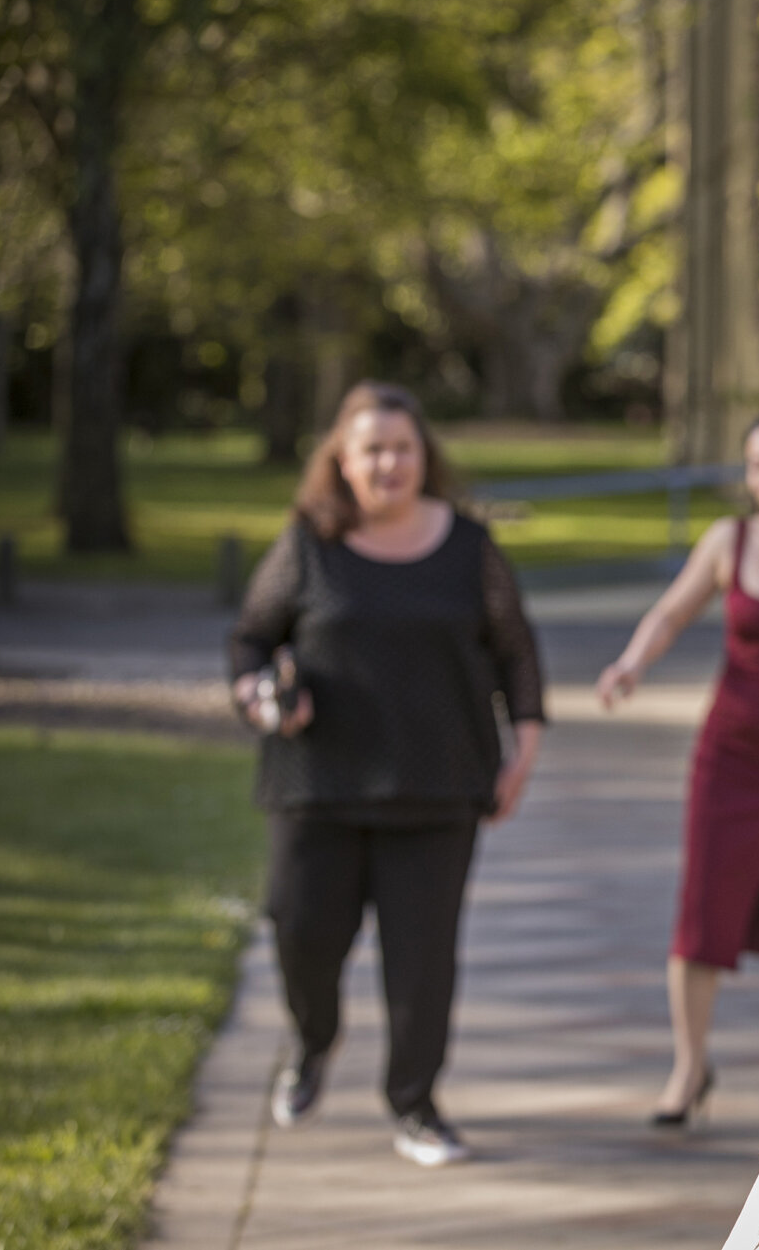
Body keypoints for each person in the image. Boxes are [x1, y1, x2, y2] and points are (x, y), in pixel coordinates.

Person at [229, 381, 545, 1168]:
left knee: (422, 958)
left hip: (439, 784)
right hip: (315, 784)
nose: (389, 462)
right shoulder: (309, 542)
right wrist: (261, 694)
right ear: (342, 458)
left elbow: (515, 649)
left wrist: (525, 747)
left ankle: (415, 1105)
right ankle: (313, 1043)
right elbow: (250, 638)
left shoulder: (468, 545)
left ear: (423, 456)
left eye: (403, 447)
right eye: (372, 448)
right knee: (301, 931)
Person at [597, 402, 759, 1124]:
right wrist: (629, 664)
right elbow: (671, 613)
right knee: (702, 917)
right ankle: (689, 1066)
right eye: (756, 465)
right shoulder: (729, 537)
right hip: (730, 753)